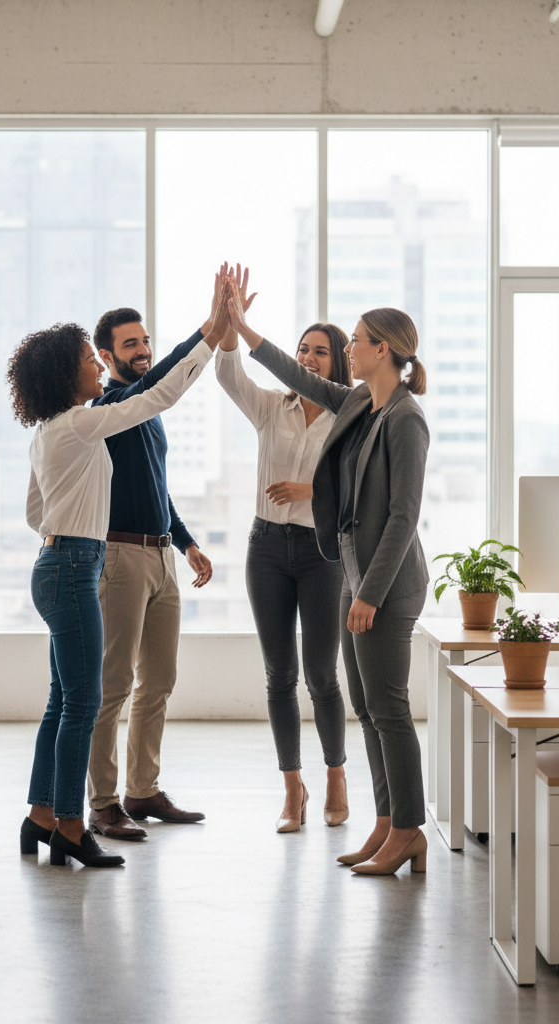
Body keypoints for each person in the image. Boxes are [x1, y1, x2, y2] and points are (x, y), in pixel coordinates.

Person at [10, 276, 229, 867]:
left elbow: (35, 513)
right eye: (88, 358)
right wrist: (210, 335)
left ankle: (41, 815)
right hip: (80, 565)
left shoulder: (49, 431)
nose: (94, 367)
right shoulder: (84, 422)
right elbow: (158, 395)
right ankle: (77, 826)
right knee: (86, 701)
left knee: (64, 700)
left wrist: (66, 532)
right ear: (74, 371)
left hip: (59, 562)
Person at [226, 272, 431, 876]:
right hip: (353, 571)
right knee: (367, 709)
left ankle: (410, 829)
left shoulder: (405, 419)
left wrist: (368, 593)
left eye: (358, 340)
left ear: (383, 351)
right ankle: (389, 824)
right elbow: (300, 378)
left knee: (389, 708)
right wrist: (243, 331)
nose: (348, 349)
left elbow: (403, 517)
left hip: (385, 584)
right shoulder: (364, 401)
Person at [84, 276, 228, 841]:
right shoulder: (111, 406)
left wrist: (186, 541)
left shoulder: (151, 414)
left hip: (161, 557)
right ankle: (103, 801)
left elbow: (157, 487)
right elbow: (169, 375)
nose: (142, 351)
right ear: (105, 355)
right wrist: (209, 328)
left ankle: (142, 790)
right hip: (119, 558)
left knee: (159, 680)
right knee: (113, 684)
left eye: (146, 341)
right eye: (130, 345)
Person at [215, 299, 353, 833]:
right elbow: (230, 374)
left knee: (321, 674)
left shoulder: (351, 416)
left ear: (338, 364)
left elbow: (361, 492)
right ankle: (292, 787)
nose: (309, 357)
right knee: (279, 674)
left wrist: (309, 490)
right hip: (266, 547)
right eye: (302, 349)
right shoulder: (272, 406)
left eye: (320, 352)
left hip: (324, 552)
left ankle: (336, 774)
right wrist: (230, 330)